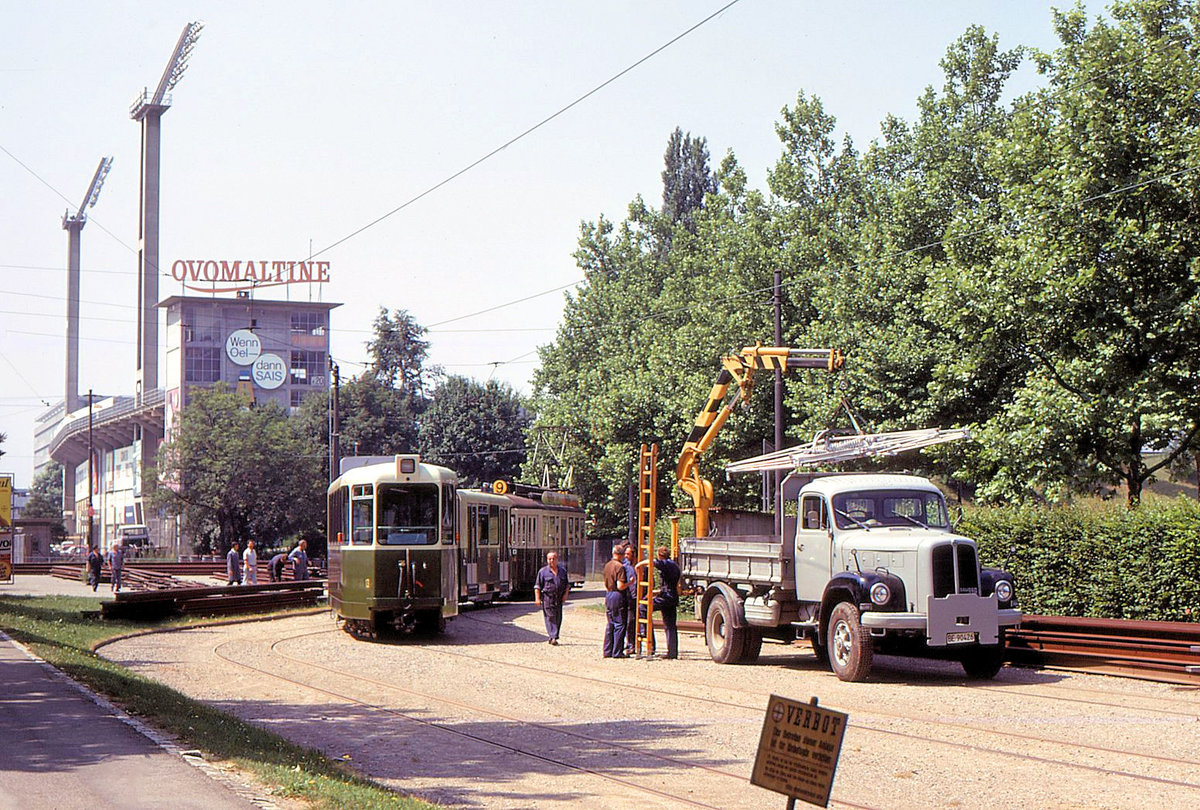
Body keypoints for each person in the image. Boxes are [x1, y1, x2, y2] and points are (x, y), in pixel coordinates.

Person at [636, 546, 682, 659]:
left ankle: (648, 639)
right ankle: (672, 653)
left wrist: (639, 565)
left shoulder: (665, 563)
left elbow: (653, 562)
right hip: (671, 597)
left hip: (666, 597)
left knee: (643, 607)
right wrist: (655, 592)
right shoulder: (674, 565)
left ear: (660, 555)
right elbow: (669, 585)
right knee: (670, 625)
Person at [534, 550, 570, 645]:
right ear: (547, 560)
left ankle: (553, 636)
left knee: (558, 618)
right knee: (550, 617)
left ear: (557, 560)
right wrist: (537, 598)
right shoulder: (543, 572)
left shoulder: (562, 571)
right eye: (549, 559)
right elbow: (537, 586)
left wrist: (565, 595)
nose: (551, 561)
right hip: (548, 598)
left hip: (559, 598)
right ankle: (553, 636)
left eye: (553, 559)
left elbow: (567, 585)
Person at [602, 543, 629, 658]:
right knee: (620, 624)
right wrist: (630, 583)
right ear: (622, 554)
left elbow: (606, 583)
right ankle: (617, 652)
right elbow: (620, 585)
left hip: (609, 594)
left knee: (610, 623)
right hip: (618, 595)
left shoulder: (607, 565)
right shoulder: (620, 567)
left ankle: (607, 650)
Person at [622, 544, 639, 656]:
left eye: (628, 554)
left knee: (645, 622)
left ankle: (651, 645)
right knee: (630, 622)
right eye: (625, 554)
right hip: (630, 598)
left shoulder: (641, 566)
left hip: (640, 598)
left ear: (634, 554)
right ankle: (631, 645)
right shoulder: (625, 567)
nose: (626, 556)